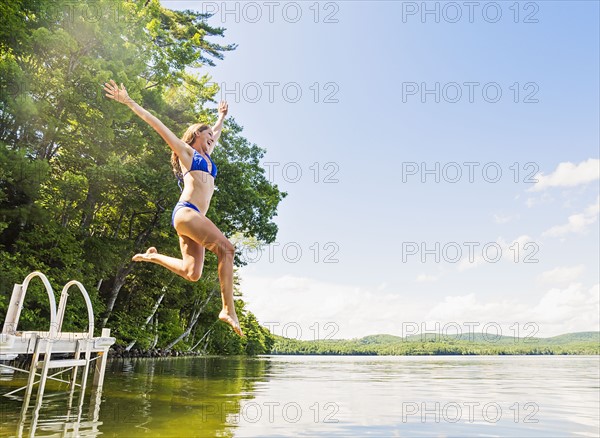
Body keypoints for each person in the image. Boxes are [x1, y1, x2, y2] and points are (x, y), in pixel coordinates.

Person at [103, 79, 243, 336]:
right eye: (208, 134)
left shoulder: (208, 157)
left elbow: (217, 132)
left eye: (213, 136)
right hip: (187, 212)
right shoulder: (187, 152)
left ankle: (152, 256)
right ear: (195, 136)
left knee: (192, 273)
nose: (213, 137)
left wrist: (220, 117)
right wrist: (128, 101)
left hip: (194, 219)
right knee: (227, 249)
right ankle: (227, 309)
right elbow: (157, 124)